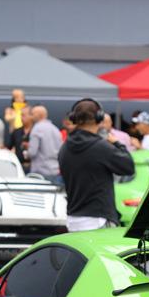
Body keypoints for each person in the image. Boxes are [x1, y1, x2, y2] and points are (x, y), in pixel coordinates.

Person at [58, 99, 135, 231]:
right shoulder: (100, 147)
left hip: (73, 219)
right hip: (98, 220)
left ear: (74, 118)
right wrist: (117, 143)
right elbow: (128, 167)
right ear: (99, 118)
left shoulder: (64, 147)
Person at [27, 105, 62, 183]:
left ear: (39, 115)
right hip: (54, 171)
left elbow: (32, 152)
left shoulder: (37, 129)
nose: (31, 117)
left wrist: (26, 153)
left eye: (32, 114)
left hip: (40, 172)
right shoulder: (55, 129)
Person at [8, 106, 34, 173]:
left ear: (31, 116)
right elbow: (9, 146)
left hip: (34, 167)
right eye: (20, 115)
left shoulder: (37, 131)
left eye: (23, 115)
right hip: (19, 167)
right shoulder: (17, 131)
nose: (21, 118)